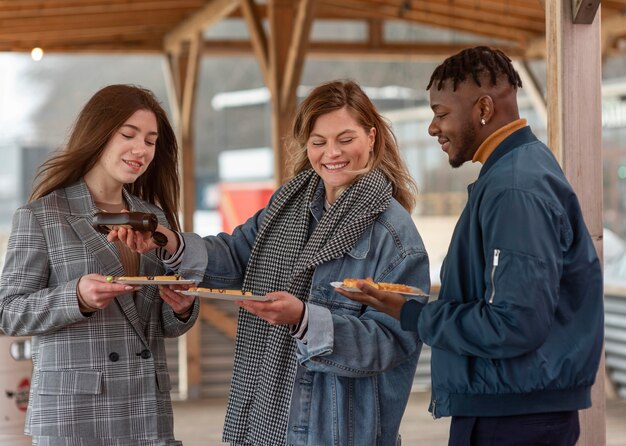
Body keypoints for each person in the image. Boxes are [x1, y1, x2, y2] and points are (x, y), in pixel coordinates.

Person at [113, 79, 430, 446]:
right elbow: (235, 255)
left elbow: (393, 342)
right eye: (318, 142)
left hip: (335, 432)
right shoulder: (288, 203)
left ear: (371, 137)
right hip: (267, 424)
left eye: (346, 139)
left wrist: (305, 319)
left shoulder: (394, 236)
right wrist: (169, 241)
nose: (332, 154)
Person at [339, 46, 604, 446]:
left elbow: (514, 324)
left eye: (441, 113)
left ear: (482, 108)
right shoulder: (513, 173)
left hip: (514, 420)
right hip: (511, 405)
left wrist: (414, 315)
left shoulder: (515, 188)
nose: (432, 128)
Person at [0, 84, 198, 446]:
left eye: (151, 141)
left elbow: (159, 326)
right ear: (98, 134)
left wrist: (182, 308)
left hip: (146, 410)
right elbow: (8, 312)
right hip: (75, 414)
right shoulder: (42, 215)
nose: (141, 150)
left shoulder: (153, 218)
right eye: (129, 134)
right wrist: (76, 297)